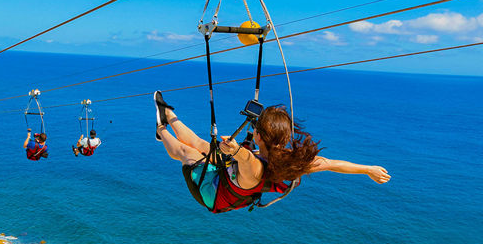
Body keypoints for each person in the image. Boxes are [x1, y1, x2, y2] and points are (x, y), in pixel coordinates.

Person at [152, 91, 389, 213]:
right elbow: (331, 163)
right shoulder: (290, 160)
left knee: (187, 152)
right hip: (231, 180)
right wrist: (368, 169)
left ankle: (161, 129)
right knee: (201, 143)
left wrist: (234, 149)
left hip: (215, 194)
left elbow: (245, 158)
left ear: (258, 136)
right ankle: (169, 114)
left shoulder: (252, 164)